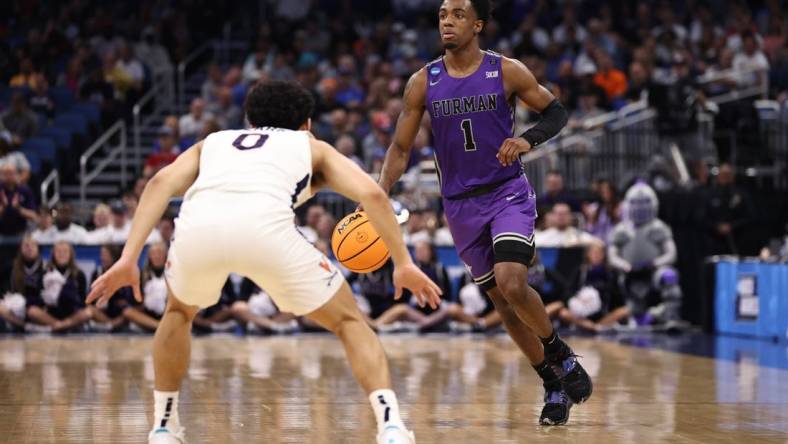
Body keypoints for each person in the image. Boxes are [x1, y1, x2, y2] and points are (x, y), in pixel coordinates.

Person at [87, 80, 441, 444]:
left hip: (199, 231)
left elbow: (160, 182)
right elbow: (372, 195)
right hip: (266, 232)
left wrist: (129, 257)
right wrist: (403, 263)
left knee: (178, 313)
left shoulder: (214, 142)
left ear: (248, 120)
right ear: (306, 123)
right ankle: (391, 426)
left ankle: (163, 427)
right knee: (349, 320)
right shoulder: (310, 145)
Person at [375, 0, 591, 425]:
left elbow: (556, 112)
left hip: (506, 192)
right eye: (441, 15)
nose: (447, 21)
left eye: (457, 14)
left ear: (477, 24)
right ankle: (550, 383)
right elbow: (400, 148)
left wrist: (528, 139)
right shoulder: (423, 81)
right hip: (459, 205)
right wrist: (379, 191)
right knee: (502, 304)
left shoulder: (506, 70)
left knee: (513, 282)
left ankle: (560, 352)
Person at [607, 182, 685, 330]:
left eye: (644, 202)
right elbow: (612, 256)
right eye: (636, 203)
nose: (640, 207)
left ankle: (670, 318)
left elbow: (671, 254)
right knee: (635, 309)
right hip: (629, 274)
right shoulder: (621, 230)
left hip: (653, 271)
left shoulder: (659, 227)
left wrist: (655, 263)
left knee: (669, 276)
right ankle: (639, 317)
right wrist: (625, 266)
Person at [25, 241, 92, 333]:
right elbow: (37, 297)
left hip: (71, 313)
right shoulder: (45, 272)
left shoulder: (79, 274)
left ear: (70, 255)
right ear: (53, 254)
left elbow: (83, 300)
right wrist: (46, 300)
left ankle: (56, 327)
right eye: (58, 252)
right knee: (32, 311)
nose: (61, 255)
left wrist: (71, 298)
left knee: (88, 313)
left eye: (65, 252)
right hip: (50, 313)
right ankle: (61, 326)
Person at [1, 236, 44, 330]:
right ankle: (26, 326)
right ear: (20, 249)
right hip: (16, 306)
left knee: (33, 311)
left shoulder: (45, 267)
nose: (29, 248)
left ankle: (49, 325)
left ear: (38, 249)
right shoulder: (12, 266)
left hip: (37, 306)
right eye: (26, 245)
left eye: (33, 245)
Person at [89, 244, 135, 332]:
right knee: (89, 310)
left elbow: (129, 300)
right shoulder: (97, 273)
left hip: (120, 312)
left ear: (114, 256)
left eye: (106, 254)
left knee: (128, 312)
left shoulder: (124, 273)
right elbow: (90, 298)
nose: (103, 257)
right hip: (102, 312)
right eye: (102, 254)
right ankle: (110, 324)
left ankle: (111, 325)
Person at [0, 162, 37, 237]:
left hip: (21, 233)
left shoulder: (25, 190)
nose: (8, 176)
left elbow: (34, 216)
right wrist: (3, 207)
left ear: (17, 174)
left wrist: (18, 209)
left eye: (11, 173)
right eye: (5, 173)